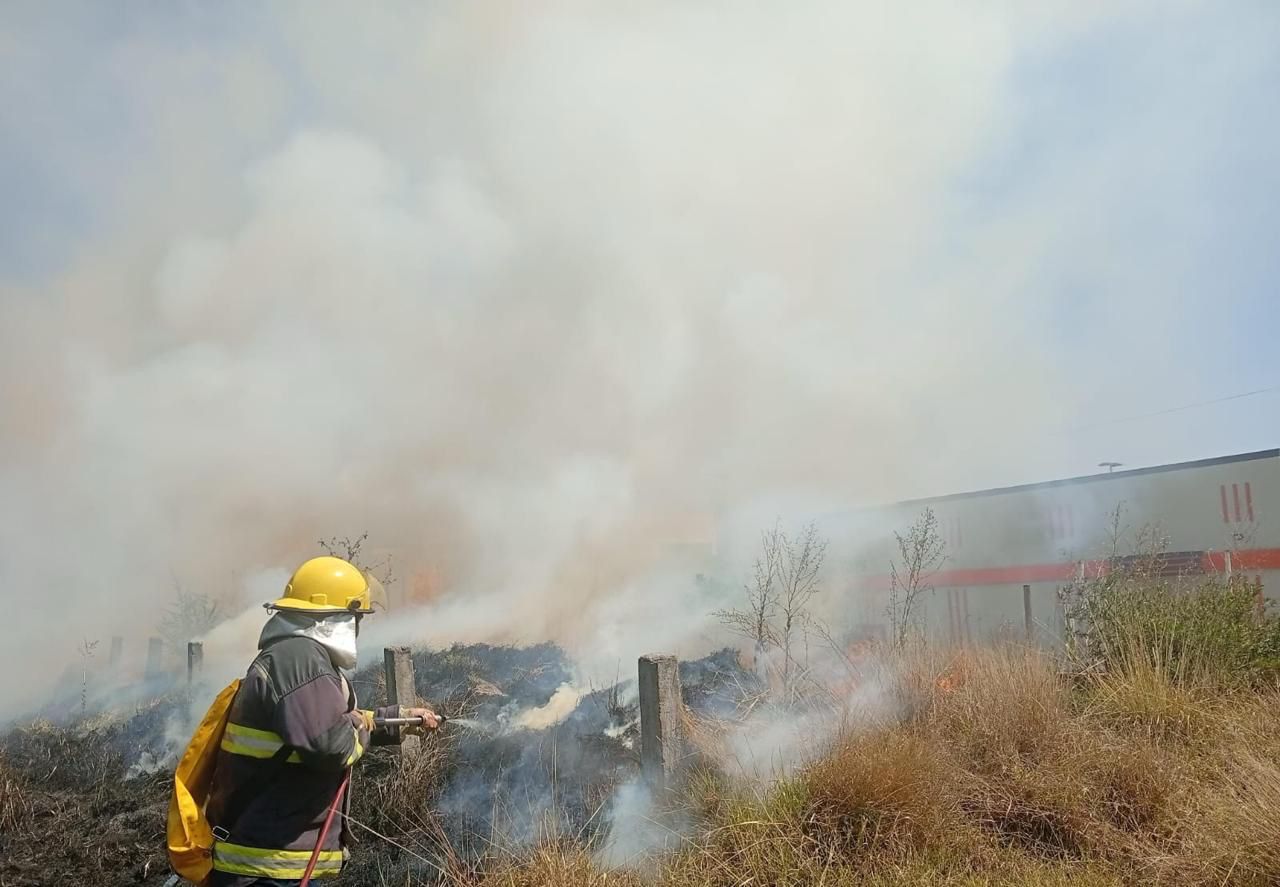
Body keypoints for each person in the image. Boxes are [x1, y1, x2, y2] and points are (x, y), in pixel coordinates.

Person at [206, 556, 438, 885]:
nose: (358, 626)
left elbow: (329, 722)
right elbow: (331, 743)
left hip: (273, 863)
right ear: (335, 617)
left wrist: (395, 721)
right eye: (356, 616)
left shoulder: (296, 657)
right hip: (268, 870)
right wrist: (361, 729)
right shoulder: (299, 660)